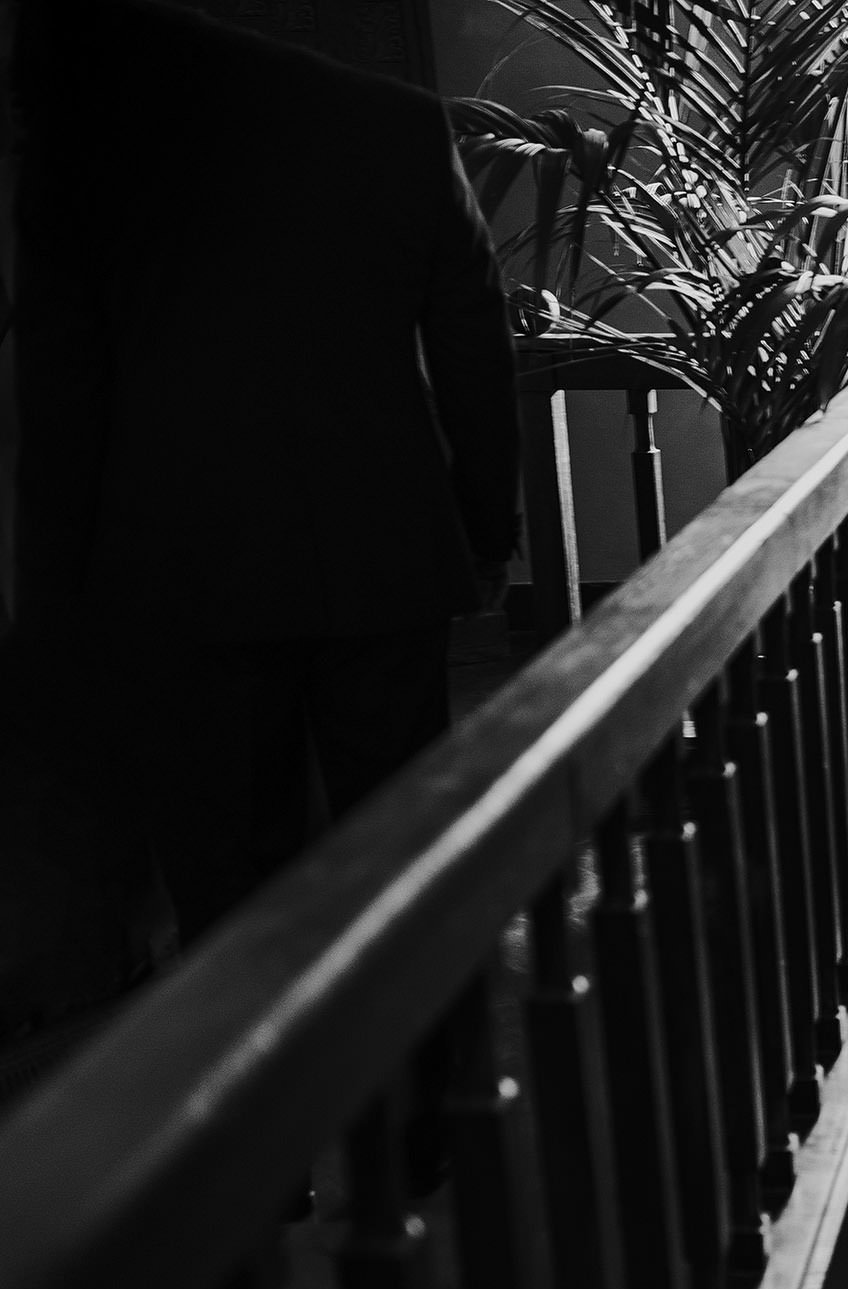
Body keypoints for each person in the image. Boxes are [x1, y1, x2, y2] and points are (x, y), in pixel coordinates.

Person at [8, 0, 519, 953]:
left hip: (184, 571)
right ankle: (428, 1073)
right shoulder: (398, 123)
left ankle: (263, 1086)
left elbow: (61, 391)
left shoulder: (91, 154)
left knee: (232, 889)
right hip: (382, 552)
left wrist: (55, 605)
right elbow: (472, 347)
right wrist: (488, 529)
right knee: (401, 855)